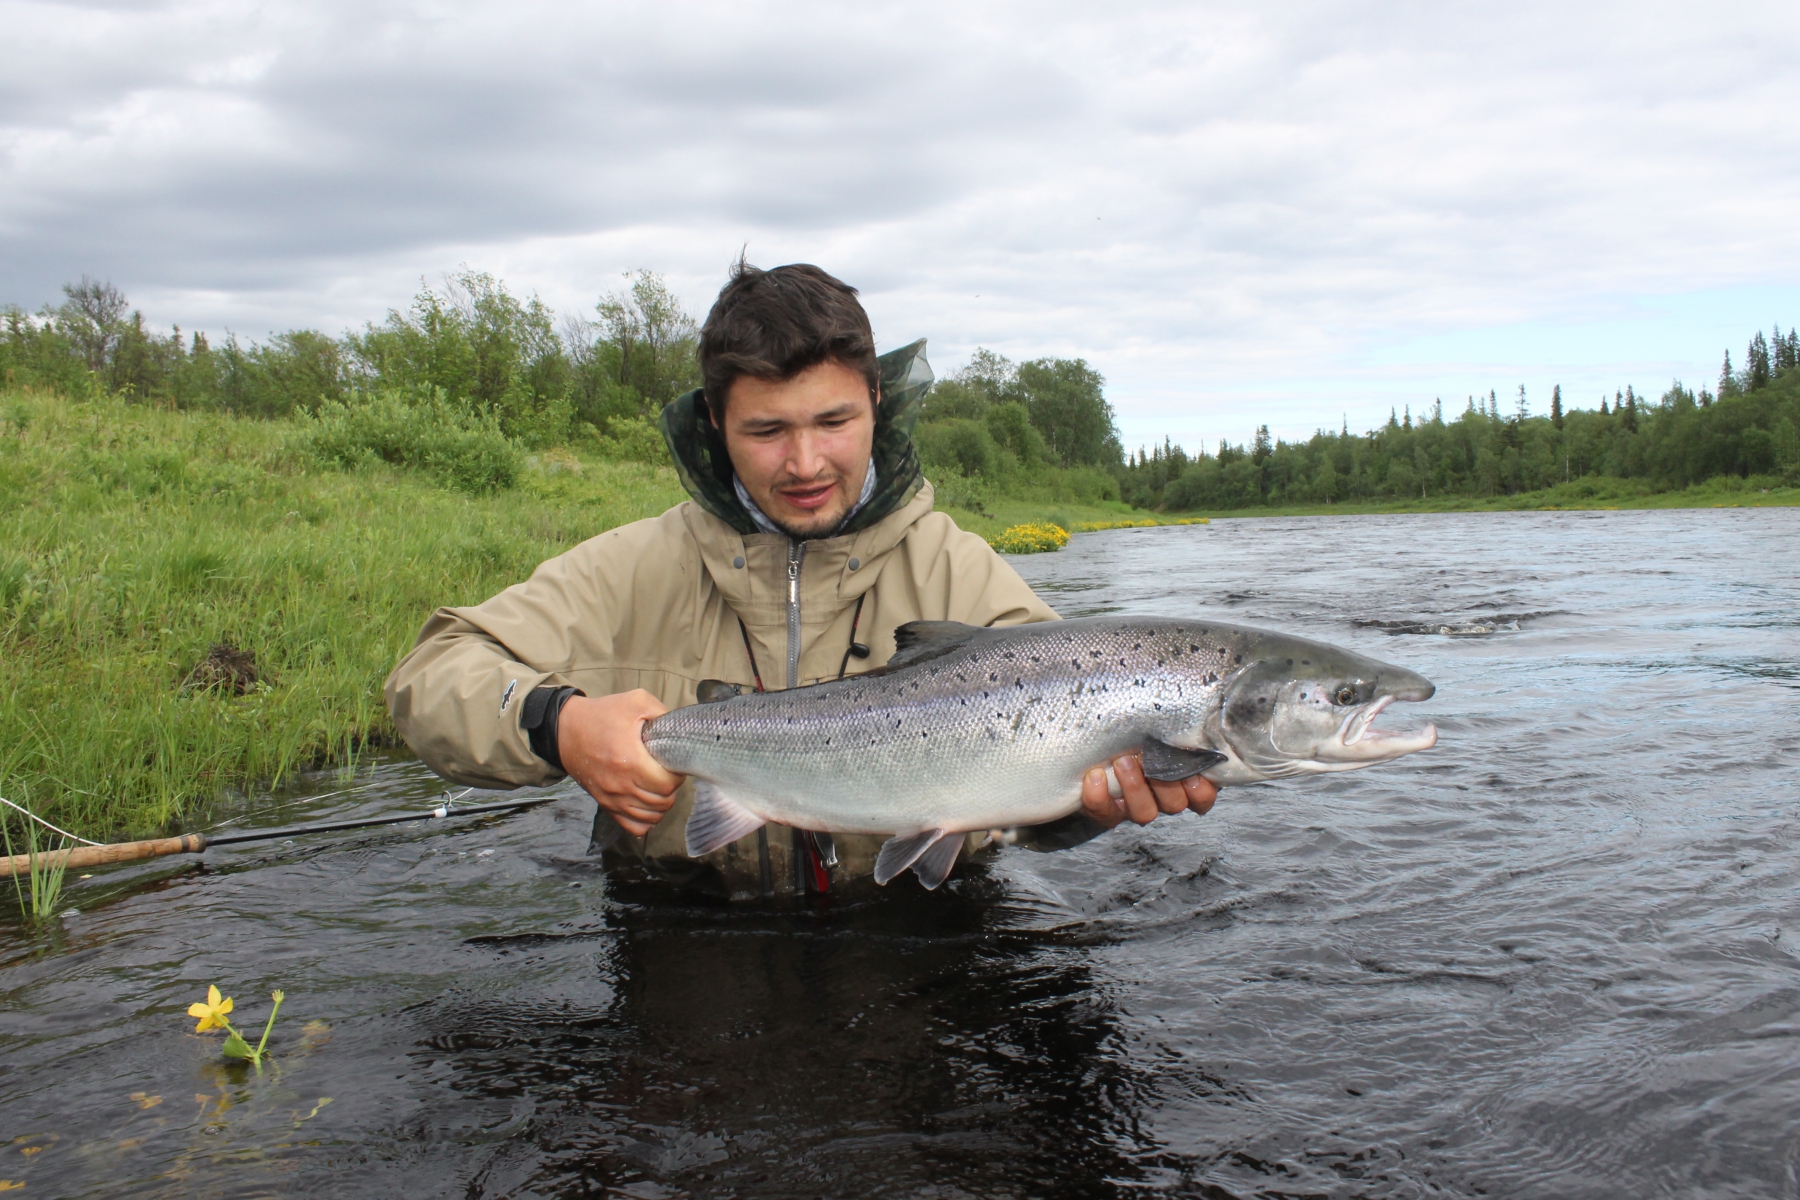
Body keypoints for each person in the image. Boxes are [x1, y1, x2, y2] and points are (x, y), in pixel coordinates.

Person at [384, 261, 1219, 899]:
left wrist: (1089, 810)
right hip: (678, 943)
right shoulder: (630, 569)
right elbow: (431, 677)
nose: (806, 463)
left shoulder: (959, 575)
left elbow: (1049, 812)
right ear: (715, 424)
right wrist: (556, 724)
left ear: (877, 405)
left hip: (925, 958)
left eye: (834, 421)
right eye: (768, 430)